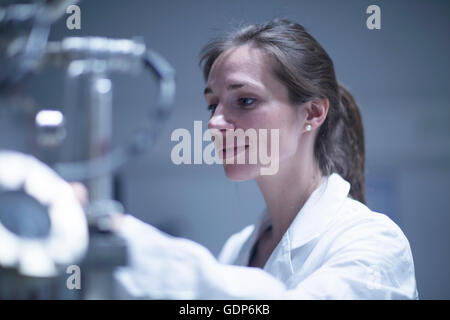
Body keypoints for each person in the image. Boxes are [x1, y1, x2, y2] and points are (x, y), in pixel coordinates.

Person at [112, 19, 418, 299]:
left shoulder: (373, 242)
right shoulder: (238, 248)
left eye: (245, 100)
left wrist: (121, 237)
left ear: (312, 113)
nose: (214, 123)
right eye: (212, 104)